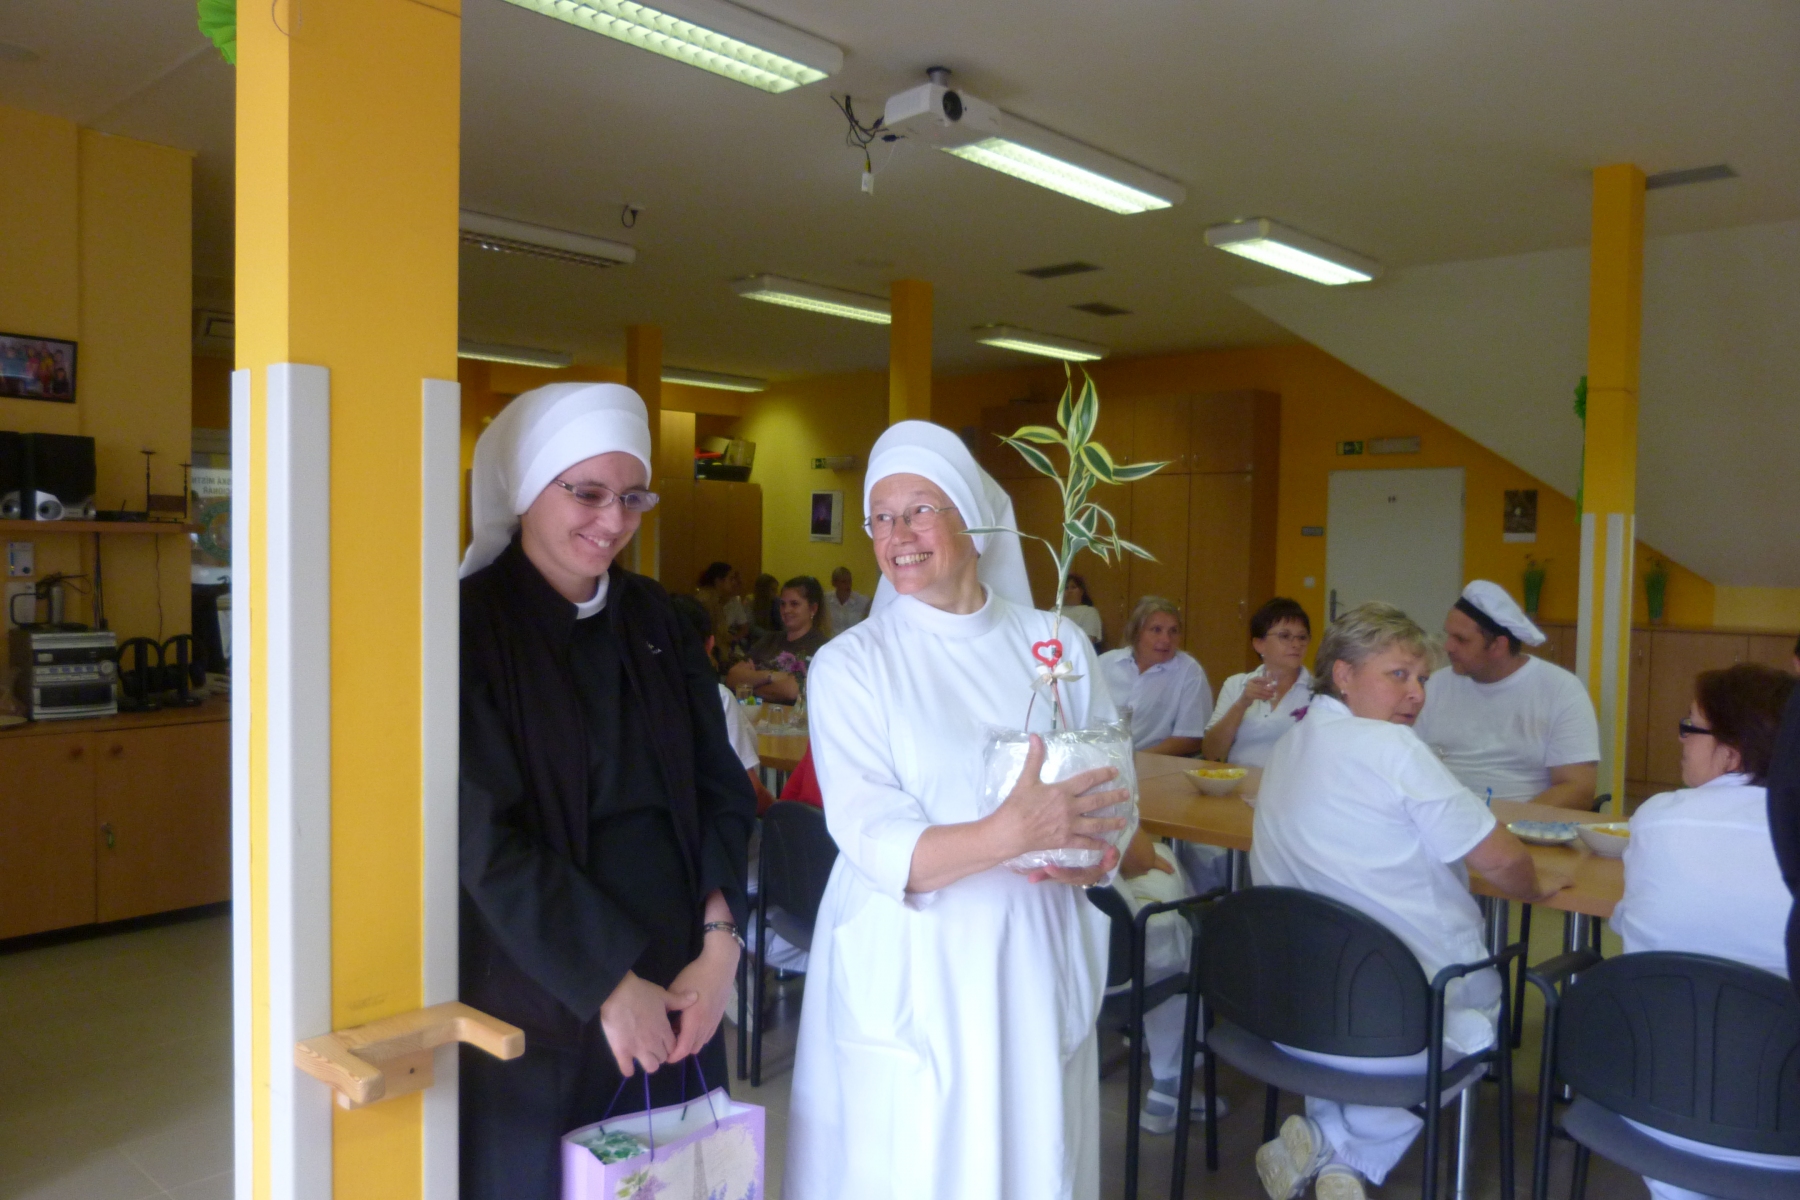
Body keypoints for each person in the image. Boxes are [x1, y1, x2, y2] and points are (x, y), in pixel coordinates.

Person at [785, 419, 1128, 1200]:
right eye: (881, 516)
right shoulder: (852, 664)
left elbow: (1111, 792)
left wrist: (1096, 851)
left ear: (973, 521)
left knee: (1030, 1153)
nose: (898, 535)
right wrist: (1010, 833)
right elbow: (871, 834)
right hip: (914, 955)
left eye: (920, 510)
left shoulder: (1056, 646)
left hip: (1031, 947)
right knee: (913, 1163)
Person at [456, 383, 757, 1198]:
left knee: (683, 1179)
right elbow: (480, 835)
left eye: (632, 498)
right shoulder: (470, 627)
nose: (613, 521)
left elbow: (721, 787)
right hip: (546, 988)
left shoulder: (656, 618)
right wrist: (606, 983)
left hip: (685, 981)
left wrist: (721, 947)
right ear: (527, 490)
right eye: (587, 493)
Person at [1249, 603, 1568, 1200]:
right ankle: (1350, 1147)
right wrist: (1535, 888)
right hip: (1396, 1028)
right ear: (1344, 675)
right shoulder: (1393, 748)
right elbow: (1501, 860)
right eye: (1398, 675)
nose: (1417, 693)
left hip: (1290, 1014)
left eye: (1421, 678)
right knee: (1481, 1020)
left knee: (1352, 973)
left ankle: (1323, 1139)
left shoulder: (1290, 744)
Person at [1611, 662, 1800, 1200]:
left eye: (1691, 728)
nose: (1680, 739)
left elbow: (1631, 923)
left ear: (1732, 755)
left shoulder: (1657, 818)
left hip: (1657, 1108)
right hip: (1784, 1125)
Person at [1413, 580, 1600, 809]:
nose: (1448, 647)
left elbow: (1578, 788)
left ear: (1498, 646)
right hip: (1440, 817)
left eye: (1461, 639)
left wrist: (1506, 823)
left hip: (1524, 821)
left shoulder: (1561, 690)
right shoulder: (1432, 686)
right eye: (1448, 635)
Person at [670, 593, 775, 813]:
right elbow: (750, 790)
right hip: (709, 820)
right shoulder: (716, 697)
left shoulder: (634, 694)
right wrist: (781, 812)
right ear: (710, 644)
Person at [1203, 597, 1314, 767]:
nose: (1296, 644)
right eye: (1285, 636)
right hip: (1240, 779)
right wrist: (1242, 704)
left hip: (1292, 782)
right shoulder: (1236, 684)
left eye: (1302, 637)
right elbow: (1211, 753)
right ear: (1259, 644)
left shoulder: (1319, 691)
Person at [1099, 596, 1213, 757]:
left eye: (1173, 631)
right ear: (1136, 633)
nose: (1166, 640)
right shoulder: (1105, 663)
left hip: (1154, 760)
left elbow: (1190, 738)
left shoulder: (1189, 671)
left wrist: (1134, 759)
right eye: (1156, 630)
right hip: (1100, 756)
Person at [726, 575, 828, 704]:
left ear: (813, 609)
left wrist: (751, 685)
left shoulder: (822, 647)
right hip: (753, 713)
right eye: (783, 604)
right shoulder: (769, 639)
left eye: (794, 604)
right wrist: (771, 676)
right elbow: (732, 678)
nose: (786, 610)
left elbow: (791, 691)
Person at [695, 561, 750, 649]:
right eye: (731, 579)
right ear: (718, 581)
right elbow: (713, 637)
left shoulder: (717, 599)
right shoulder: (706, 601)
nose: (734, 582)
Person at [1061, 574, 1105, 650]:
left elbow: (1088, 642)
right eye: (1066, 588)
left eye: (1073, 587)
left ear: (1081, 591)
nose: (1069, 591)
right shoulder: (1054, 610)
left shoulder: (1090, 612)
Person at [824, 566, 871, 636]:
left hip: (853, 640)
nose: (848, 585)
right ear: (834, 583)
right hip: (833, 640)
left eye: (849, 581)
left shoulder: (862, 601)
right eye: (843, 582)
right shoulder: (826, 600)